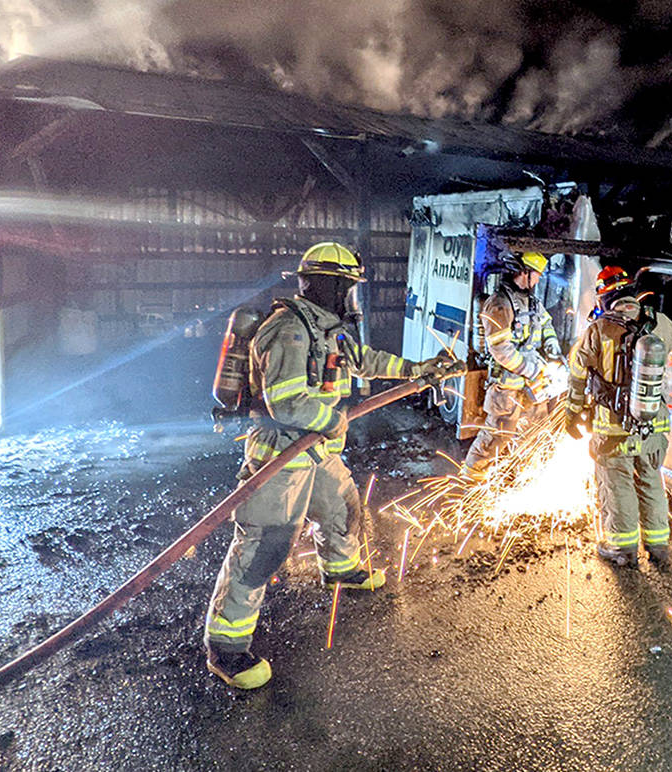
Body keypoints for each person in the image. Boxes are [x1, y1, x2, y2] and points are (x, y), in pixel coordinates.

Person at [204, 242, 447, 689]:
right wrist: (334, 418)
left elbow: (364, 362)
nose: (353, 297)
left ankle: (340, 568)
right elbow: (287, 403)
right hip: (280, 455)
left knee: (342, 504)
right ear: (329, 286)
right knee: (265, 545)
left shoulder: (325, 329)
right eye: (348, 288)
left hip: (316, 452)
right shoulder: (289, 331)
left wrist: (418, 369)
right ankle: (226, 648)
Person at [564, 266, 672, 569]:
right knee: (650, 480)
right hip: (654, 424)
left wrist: (573, 413)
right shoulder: (658, 321)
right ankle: (658, 547)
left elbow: (578, 373)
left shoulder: (598, 330)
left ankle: (622, 549)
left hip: (614, 427)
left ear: (606, 297)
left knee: (617, 483)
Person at [460, 251, 563, 480]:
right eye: (535, 275)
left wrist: (552, 344)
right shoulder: (499, 304)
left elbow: (545, 323)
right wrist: (533, 369)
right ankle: (471, 480)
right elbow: (501, 351)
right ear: (522, 273)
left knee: (535, 434)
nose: (537, 280)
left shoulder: (531, 301)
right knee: (496, 437)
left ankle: (526, 482)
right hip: (507, 389)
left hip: (533, 388)